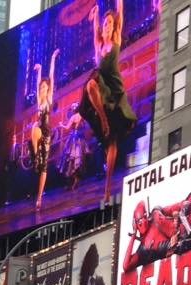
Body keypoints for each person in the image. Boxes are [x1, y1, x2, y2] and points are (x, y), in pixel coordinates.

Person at [79, 0, 137, 204]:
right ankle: (102, 119)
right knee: (90, 84)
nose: (108, 25)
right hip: (101, 93)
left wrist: (117, 5)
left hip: (115, 92)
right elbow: (95, 24)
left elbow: (120, 8)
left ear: (114, 27)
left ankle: (107, 189)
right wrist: (95, 14)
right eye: (106, 23)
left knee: (112, 142)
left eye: (111, 23)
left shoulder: (117, 39)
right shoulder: (98, 46)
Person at [30, 48, 59, 210]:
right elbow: (37, 83)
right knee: (34, 128)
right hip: (39, 130)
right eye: (41, 87)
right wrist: (39, 71)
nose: (42, 89)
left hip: (47, 133)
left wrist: (52, 59)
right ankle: (35, 157)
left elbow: (52, 77)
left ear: (48, 89)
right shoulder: (38, 100)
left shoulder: (48, 99)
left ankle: (39, 198)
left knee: (44, 168)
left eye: (44, 87)